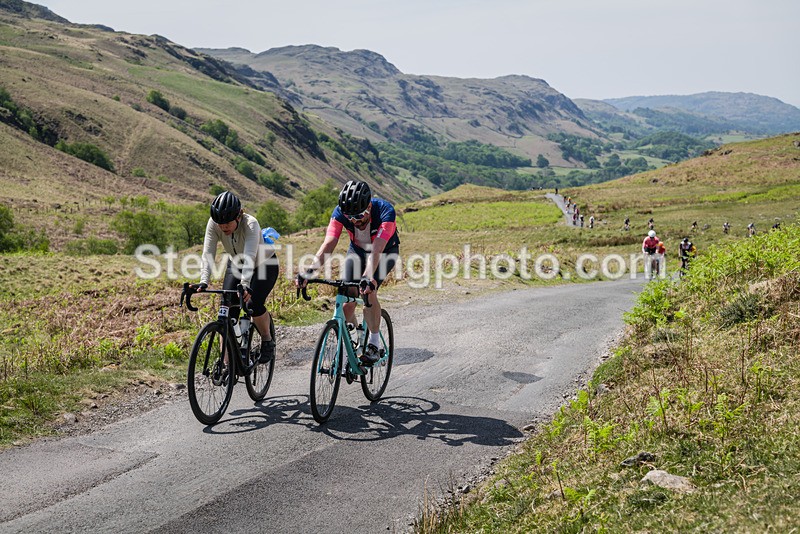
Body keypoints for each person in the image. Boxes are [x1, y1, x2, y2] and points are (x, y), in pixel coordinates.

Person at [296, 181, 400, 365]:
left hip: (385, 252)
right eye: (349, 217)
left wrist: (368, 277)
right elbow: (328, 244)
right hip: (357, 252)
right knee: (346, 303)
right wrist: (309, 271)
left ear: (369, 206)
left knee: (369, 291)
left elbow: (377, 249)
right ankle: (355, 336)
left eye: (359, 215)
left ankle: (374, 344)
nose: (354, 221)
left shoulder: (385, 212)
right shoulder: (339, 213)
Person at [190, 191, 279, 364]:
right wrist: (204, 280)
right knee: (226, 309)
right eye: (220, 223)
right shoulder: (214, 224)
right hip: (236, 264)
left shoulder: (251, 224)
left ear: (239, 216)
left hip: (264, 264)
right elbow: (208, 253)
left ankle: (267, 340)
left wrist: (245, 284)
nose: (223, 227)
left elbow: (250, 255)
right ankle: (227, 363)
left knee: (252, 304)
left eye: (227, 222)